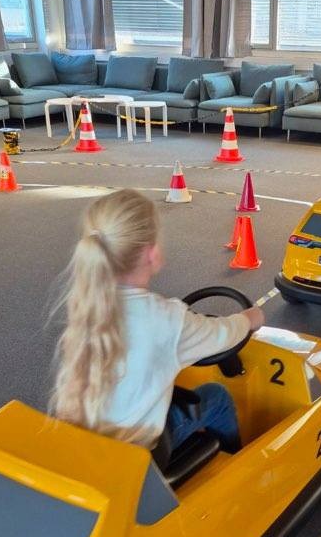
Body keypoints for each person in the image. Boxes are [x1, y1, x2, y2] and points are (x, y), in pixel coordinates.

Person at [50, 188, 264, 454]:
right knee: (217, 397)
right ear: (151, 253)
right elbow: (224, 334)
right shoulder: (166, 318)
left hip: (93, 441)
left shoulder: (88, 305)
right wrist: (251, 318)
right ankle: (237, 468)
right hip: (141, 450)